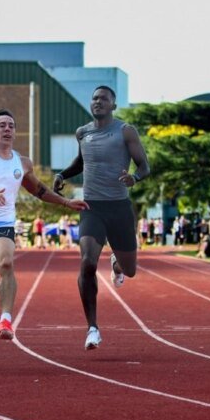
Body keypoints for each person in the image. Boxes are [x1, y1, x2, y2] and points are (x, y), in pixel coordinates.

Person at [0, 109, 87, 340]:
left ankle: (5, 320)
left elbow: (39, 190)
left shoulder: (23, 163)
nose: (7, 129)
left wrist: (66, 202)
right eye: (2, 125)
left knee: (6, 263)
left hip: (2, 223)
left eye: (11, 126)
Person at [51, 86, 151, 349]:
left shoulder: (125, 130)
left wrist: (135, 178)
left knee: (130, 271)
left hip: (118, 207)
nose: (98, 102)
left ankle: (117, 263)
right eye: (94, 98)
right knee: (87, 263)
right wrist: (62, 174)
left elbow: (144, 165)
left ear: (113, 106)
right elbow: (81, 162)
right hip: (91, 207)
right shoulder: (82, 132)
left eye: (103, 99)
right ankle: (92, 328)